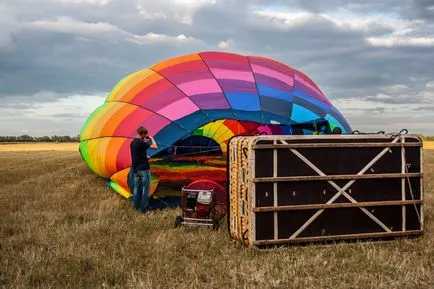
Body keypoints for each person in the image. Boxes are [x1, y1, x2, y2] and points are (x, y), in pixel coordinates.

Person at [130, 126, 158, 212]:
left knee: (136, 189)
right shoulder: (141, 143)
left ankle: (136, 206)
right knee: (145, 190)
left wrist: (146, 157)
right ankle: (143, 209)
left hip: (136, 169)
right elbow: (155, 147)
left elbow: (137, 154)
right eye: (145, 135)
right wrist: (152, 138)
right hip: (144, 169)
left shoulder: (133, 143)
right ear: (143, 134)